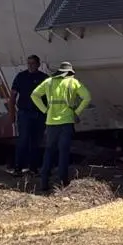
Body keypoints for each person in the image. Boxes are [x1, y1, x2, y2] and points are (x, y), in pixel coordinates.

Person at [31, 61, 91, 192]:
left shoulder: (49, 82)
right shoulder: (73, 82)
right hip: (67, 122)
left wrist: (45, 109)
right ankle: (63, 182)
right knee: (63, 152)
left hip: (51, 122)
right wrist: (77, 112)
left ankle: (44, 182)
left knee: (49, 151)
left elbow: (34, 95)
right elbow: (87, 97)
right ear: (70, 73)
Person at [9, 55, 48, 176]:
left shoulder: (44, 78)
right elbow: (13, 96)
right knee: (23, 140)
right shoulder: (21, 77)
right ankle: (18, 168)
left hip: (39, 114)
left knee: (36, 142)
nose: (30, 66)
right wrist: (12, 114)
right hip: (24, 112)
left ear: (38, 64)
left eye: (33, 63)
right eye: (29, 63)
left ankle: (33, 168)